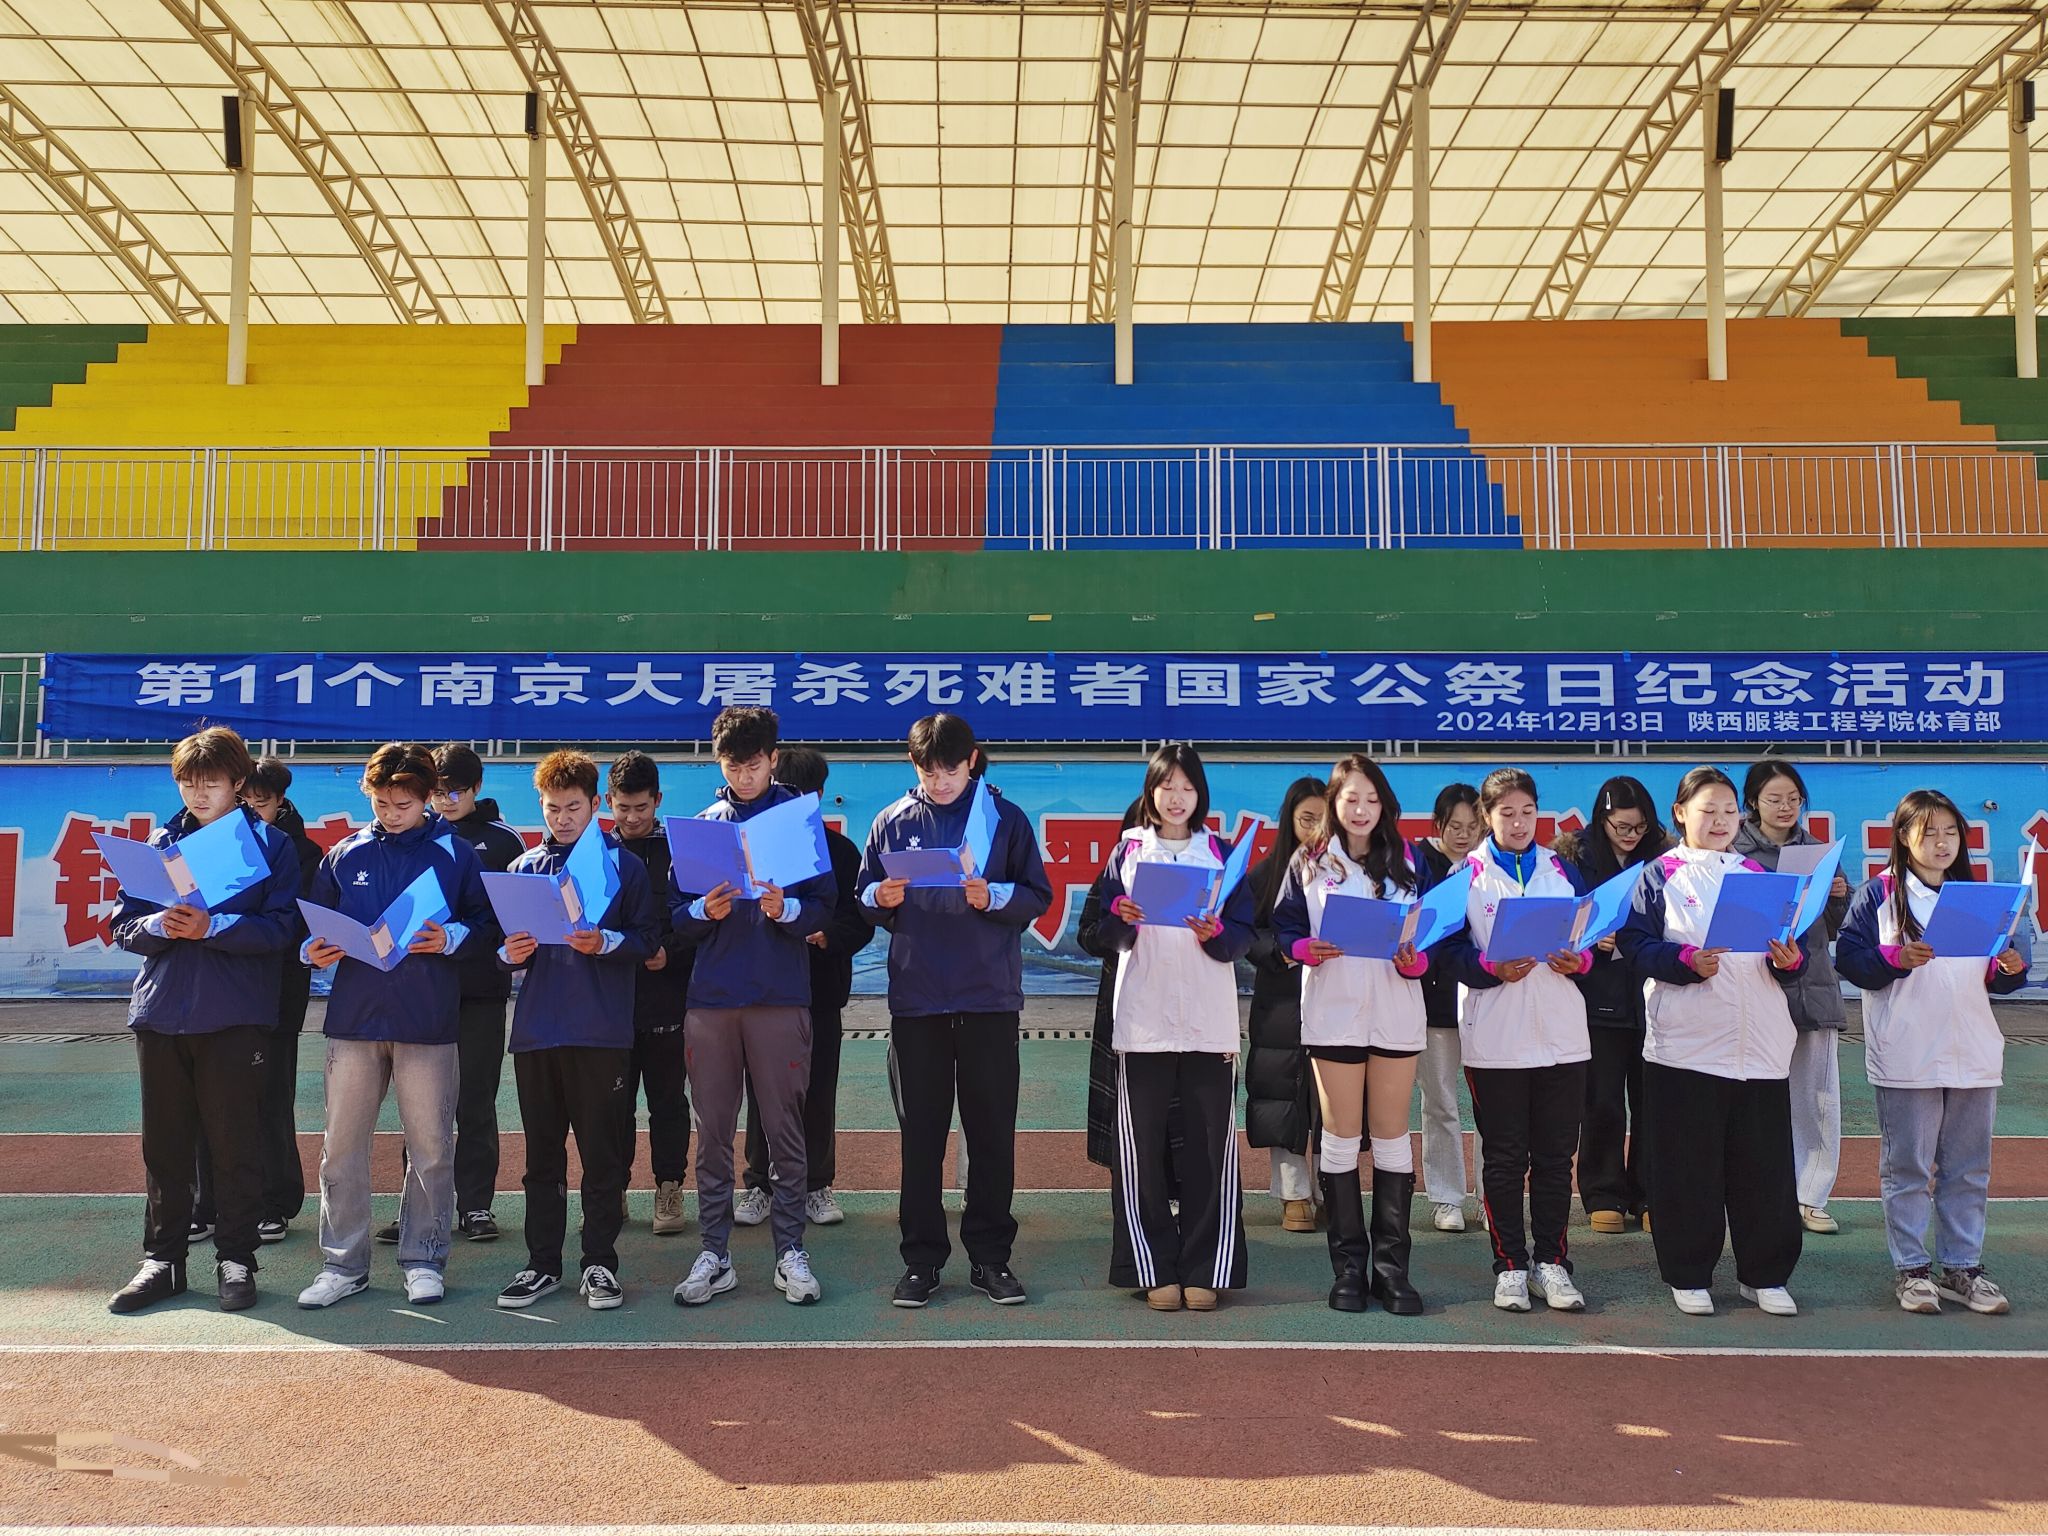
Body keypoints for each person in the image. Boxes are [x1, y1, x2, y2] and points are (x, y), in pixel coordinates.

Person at [858, 713, 1052, 1310]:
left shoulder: (1004, 818)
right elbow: (865, 895)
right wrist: (879, 897)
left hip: (988, 998)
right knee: (921, 1137)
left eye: (950, 769)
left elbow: (1038, 895)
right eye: (928, 771)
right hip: (918, 1001)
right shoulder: (892, 821)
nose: (940, 782)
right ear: (913, 766)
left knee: (991, 1134)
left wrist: (994, 895)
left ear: (972, 761)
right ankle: (921, 1261)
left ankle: (991, 1257)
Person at [108, 726, 301, 1315]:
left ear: (238, 782)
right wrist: (158, 925)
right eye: (188, 782)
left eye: (210, 782)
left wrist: (213, 927)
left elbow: (283, 929)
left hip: (234, 1016)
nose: (198, 792)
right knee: (164, 1146)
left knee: (234, 1143)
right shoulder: (159, 842)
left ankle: (236, 1259)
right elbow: (123, 925)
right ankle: (162, 1261)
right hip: (161, 1012)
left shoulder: (270, 845)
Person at [295, 742, 495, 1310]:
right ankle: (342, 1264)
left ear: (428, 797)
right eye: (381, 803)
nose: (390, 813)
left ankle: (424, 1258)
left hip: (427, 1018)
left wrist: (451, 937)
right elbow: (311, 927)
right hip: (353, 1019)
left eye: (403, 804)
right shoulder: (344, 853)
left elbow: (488, 925)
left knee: (430, 1146)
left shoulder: (455, 854)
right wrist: (312, 951)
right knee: (340, 1147)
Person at [1616, 766, 1808, 1318]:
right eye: (1708, 811)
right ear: (1680, 814)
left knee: (1764, 1169)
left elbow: (1789, 951)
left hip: (1762, 1046)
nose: (1721, 821)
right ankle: (1689, 1272)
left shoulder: (1759, 874)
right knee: (1687, 1169)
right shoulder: (1658, 875)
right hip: (1687, 1048)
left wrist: (1790, 961)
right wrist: (1683, 961)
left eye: (1729, 811)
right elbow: (1634, 944)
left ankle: (1764, 1274)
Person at [1836, 789, 2028, 1315]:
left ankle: (1964, 1267)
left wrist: (2009, 968)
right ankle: (1912, 1269)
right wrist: (1895, 959)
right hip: (1908, 1051)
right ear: (1903, 837)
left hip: (1973, 1049)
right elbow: (1850, 962)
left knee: (1969, 1169)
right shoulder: (1878, 895)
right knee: (1909, 1169)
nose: (1942, 843)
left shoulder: (1979, 896)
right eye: (1929, 833)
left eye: (1950, 833)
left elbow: (2001, 970)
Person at [669, 708, 837, 1308]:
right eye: (732, 766)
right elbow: (674, 917)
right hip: (712, 1001)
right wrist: (701, 911)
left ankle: (790, 1250)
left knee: (784, 1129)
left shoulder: (798, 822)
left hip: (779, 997)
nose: (743, 776)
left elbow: (826, 907)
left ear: (773, 759)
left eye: (754, 764)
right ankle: (714, 1253)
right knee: (712, 1132)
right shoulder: (702, 827)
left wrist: (786, 909)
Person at [1089, 745, 1256, 1311]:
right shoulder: (1127, 851)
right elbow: (1100, 931)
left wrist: (1217, 935)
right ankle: (1149, 1264)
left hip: (1209, 1024)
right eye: (1167, 787)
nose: (1177, 797)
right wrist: (1122, 920)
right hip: (1144, 1021)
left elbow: (1245, 934)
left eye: (1187, 787)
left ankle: (1208, 1267)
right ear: (1151, 793)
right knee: (1141, 1151)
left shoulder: (1222, 854)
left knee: (1211, 1150)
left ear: (1200, 795)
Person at [495, 751, 661, 1312]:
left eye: (572, 807)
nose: (562, 818)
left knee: (601, 1158)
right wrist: (509, 953)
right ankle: (542, 1264)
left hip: (600, 1031)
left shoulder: (624, 867)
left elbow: (647, 940)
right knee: (541, 1159)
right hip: (537, 1033)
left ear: (595, 805)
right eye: (551, 808)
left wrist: (605, 942)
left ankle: (599, 1263)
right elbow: (499, 953)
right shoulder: (522, 868)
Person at [1271, 754, 1433, 1316]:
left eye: (1371, 799)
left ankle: (1392, 1271)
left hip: (1396, 1012)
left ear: (1384, 804)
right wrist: (1302, 948)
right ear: (1333, 804)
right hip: (1334, 1012)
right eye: (1350, 799)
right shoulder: (1309, 860)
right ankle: (1347, 1269)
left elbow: (1434, 931)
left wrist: (1417, 959)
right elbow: (1284, 927)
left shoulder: (1411, 860)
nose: (1361, 810)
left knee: (1391, 1138)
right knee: (1340, 1138)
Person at [1438, 769, 1592, 1314]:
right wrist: (1489, 967)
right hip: (1496, 1037)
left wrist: (1580, 962)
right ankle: (1509, 1265)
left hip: (1562, 1036)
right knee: (1504, 1159)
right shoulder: (1465, 875)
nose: (1520, 823)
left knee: (1555, 1158)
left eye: (1528, 811)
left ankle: (1552, 1262)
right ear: (1487, 817)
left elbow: (1588, 938)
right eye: (1507, 813)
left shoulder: (1562, 869)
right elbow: (1445, 952)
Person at [376, 745, 528, 1244]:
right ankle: (416, 1207)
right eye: (437, 792)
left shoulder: (503, 841)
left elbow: (507, 916)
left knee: (476, 1100)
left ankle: (476, 1205)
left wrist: (466, 938)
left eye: (455, 791)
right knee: (419, 1107)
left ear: (477, 789)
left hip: (479, 992)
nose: (445, 800)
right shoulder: (410, 839)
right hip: (421, 991)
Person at [739, 746, 874, 1229]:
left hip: (819, 992)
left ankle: (816, 1184)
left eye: (804, 798)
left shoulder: (841, 852)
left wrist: (826, 935)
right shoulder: (751, 847)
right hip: (763, 991)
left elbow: (860, 921)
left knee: (817, 1090)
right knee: (762, 1091)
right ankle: (760, 1184)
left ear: (819, 796)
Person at [193, 755, 320, 1246]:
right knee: (204, 1100)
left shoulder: (296, 851)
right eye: (241, 798)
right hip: (214, 989)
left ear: (280, 801)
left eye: (259, 802)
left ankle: (274, 1201)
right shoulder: (199, 841)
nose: (248, 808)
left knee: (268, 1098)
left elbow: (291, 924)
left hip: (274, 991)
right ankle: (206, 1203)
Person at [1735, 758, 1852, 1236]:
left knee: (1816, 1097)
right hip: (1753, 986)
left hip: (1812, 985)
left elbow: (1834, 929)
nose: (1785, 807)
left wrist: (1838, 896)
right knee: (1752, 1097)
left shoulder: (1819, 852)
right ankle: (1756, 1192)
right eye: (1774, 799)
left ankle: (1812, 1196)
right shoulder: (1732, 850)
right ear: (1752, 802)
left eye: (1794, 799)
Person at [1556, 775, 1669, 1234]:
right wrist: (1590, 937)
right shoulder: (1573, 859)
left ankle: (1649, 1192)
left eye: (1640, 827)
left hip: (1653, 994)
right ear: (1602, 820)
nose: (1631, 835)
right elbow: (1561, 922)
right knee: (1601, 1101)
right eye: (1622, 826)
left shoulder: (1664, 858)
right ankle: (1603, 1192)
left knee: (1653, 1101)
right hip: (1596, 996)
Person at [606, 751, 695, 1236]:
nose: (633, 817)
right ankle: (613, 1189)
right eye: (623, 808)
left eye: (641, 807)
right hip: (611, 1003)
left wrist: (671, 953)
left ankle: (669, 1185)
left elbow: (698, 920)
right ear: (608, 802)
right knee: (612, 1104)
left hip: (667, 999)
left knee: (668, 1101)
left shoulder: (679, 851)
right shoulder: (594, 853)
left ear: (658, 800)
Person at [1243, 777, 1327, 1233]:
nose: (1316, 829)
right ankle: (1293, 1193)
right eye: (1306, 819)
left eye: (1324, 819)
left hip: (1337, 999)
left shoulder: (1349, 871)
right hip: (1282, 1001)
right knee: (1284, 1096)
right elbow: (1245, 933)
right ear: (1289, 820)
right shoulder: (1268, 874)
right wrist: (1284, 952)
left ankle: (1332, 1189)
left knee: (1334, 1101)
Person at [1411, 783, 1483, 1233]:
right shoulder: (1419, 864)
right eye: (1455, 826)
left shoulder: (1489, 866)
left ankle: (1492, 1197)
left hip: (1485, 1000)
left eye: (1473, 826)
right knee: (1439, 1101)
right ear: (1437, 825)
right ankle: (1446, 1197)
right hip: (1434, 1002)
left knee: (1492, 1106)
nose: (1464, 834)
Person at [1081, 798, 1147, 1174]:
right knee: (1125, 1104)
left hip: (1180, 1009)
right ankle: (1128, 1184)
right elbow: (1087, 934)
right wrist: (1117, 925)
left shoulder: (1199, 871)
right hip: (1122, 1006)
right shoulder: (1114, 876)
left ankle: (1173, 1192)